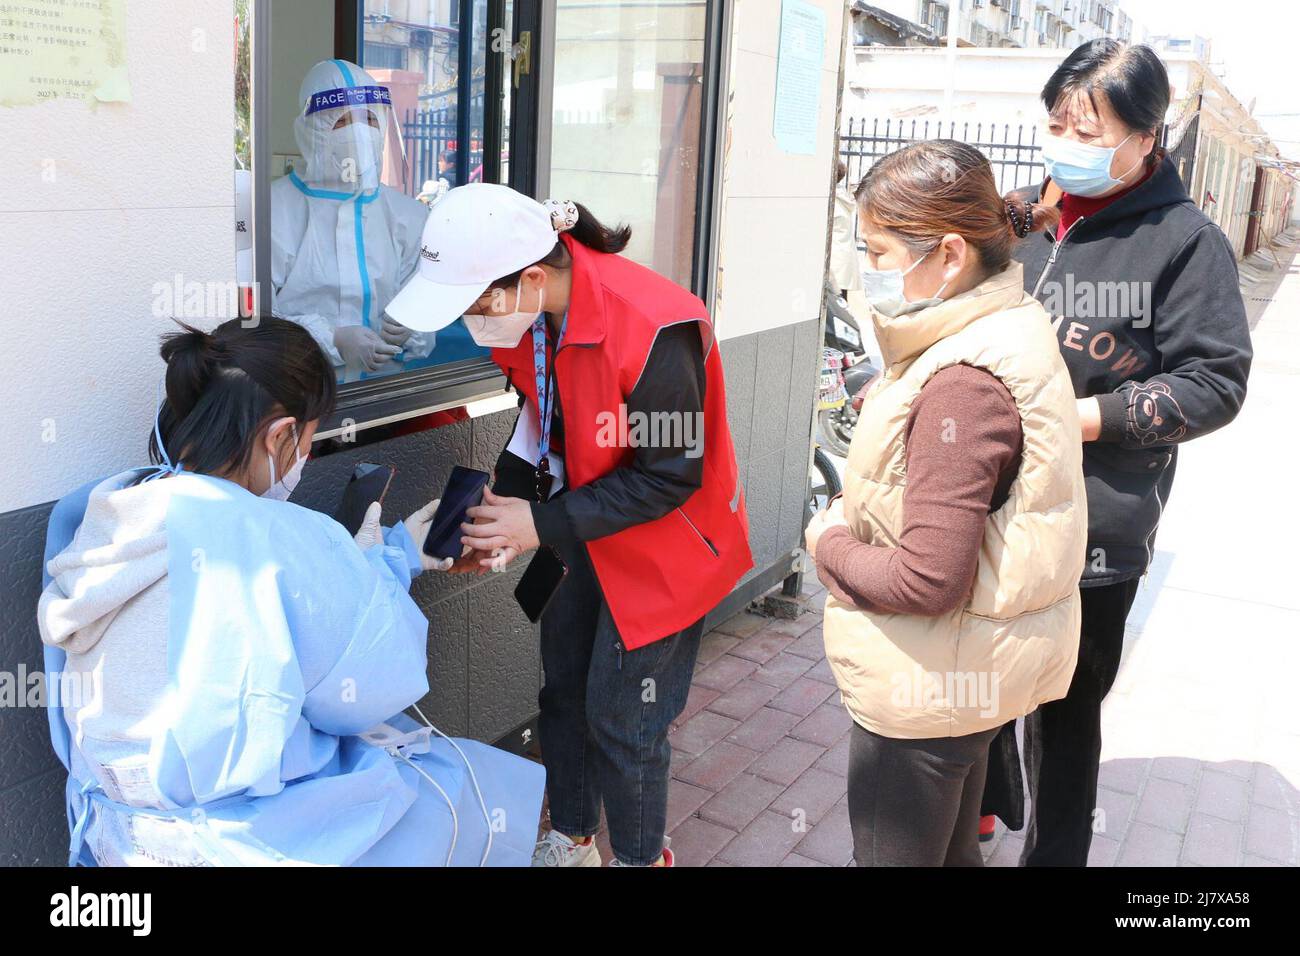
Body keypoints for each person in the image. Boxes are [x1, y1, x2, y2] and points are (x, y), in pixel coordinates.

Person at [37, 316, 544, 866]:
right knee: (463, 791)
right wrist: (378, 565)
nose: (303, 454)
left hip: (117, 829)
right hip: (237, 837)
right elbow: (375, 683)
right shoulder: (277, 536)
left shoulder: (103, 515)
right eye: (308, 438)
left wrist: (394, 556)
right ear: (279, 435)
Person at [384, 183, 753, 866]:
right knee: (562, 694)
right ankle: (575, 837)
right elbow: (541, 423)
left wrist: (538, 522)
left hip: (667, 546)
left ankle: (643, 858)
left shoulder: (654, 324)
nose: (472, 321)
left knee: (626, 720)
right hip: (581, 528)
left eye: (475, 303)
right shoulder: (533, 316)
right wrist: (496, 514)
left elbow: (671, 475)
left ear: (529, 278)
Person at [986, 40, 1252, 866]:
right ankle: (990, 802)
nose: (1067, 142)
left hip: (1095, 522)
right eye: (1057, 122)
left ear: (1147, 136)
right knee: (976, 671)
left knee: (1065, 713)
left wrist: (1083, 417)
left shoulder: (1184, 241)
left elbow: (1216, 382)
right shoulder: (1027, 213)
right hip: (990, 494)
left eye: (1090, 129)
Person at [803, 140, 1087, 866]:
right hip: (963, 679)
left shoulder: (962, 379)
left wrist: (826, 538)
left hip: (924, 689)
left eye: (878, 252)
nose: (867, 272)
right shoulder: (999, 325)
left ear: (951, 254)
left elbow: (926, 579)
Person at [270, 59, 440, 382]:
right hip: (300, 395)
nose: (360, 132)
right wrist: (332, 338)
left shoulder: (407, 216)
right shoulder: (274, 211)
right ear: (311, 130)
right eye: (344, 120)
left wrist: (413, 328)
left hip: (382, 402)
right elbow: (259, 319)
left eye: (370, 120)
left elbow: (425, 308)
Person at [829, 160, 863, 299]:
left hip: (835, 260)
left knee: (835, 303)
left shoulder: (832, 200)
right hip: (842, 259)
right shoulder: (841, 197)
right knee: (841, 301)